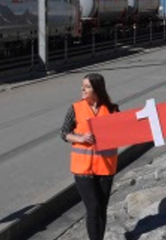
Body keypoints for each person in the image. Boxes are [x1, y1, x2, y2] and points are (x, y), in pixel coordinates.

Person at [61, 73, 119, 240]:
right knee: (93, 207)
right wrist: (80, 138)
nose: (82, 89)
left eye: (87, 86)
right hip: (82, 168)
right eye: (82, 86)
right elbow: (63, 133)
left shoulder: (112, 109)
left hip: (105, 167)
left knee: (101, 209)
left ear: (97, 89)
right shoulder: (75, 108)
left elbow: (123, 132)